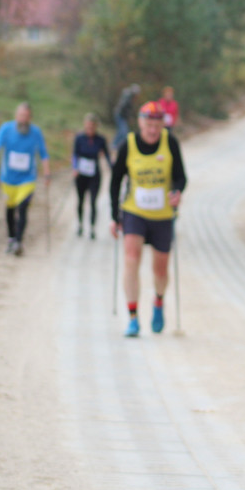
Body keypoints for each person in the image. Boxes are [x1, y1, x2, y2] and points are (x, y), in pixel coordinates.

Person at [109, 101, 187, 337]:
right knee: (131, 258)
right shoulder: (128, 145)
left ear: (162, 124)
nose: (153, 130)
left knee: (160, 270)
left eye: (157, 125)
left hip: (163, 215)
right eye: (148, 124)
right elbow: (115, 182)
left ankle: (159, 301)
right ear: (140, 122)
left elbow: (181, 177)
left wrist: (177, 193)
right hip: (134, 212)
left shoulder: (170, 143)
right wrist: (115, 216)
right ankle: (132, 317)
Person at [0, 102, 50, 256]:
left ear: (30, 118)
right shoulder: (6, 129)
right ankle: (11, 239)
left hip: (27, 179)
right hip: (8, 179)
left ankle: (19, 242)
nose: (24, 119)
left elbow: (43, 154)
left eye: (27, 116)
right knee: (10, 209)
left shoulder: (36, 132)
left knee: (22, 208)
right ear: (16, 116)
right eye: (21, 116)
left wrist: (47, 174)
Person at [72, 113, 112, 239]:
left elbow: (107, 156)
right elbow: (75, 154)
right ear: (85, 125)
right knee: (81, 200)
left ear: (96, 127)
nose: (90, 129)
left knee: (94, 201)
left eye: (92, 127)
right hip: (81, 173)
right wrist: (75, 168)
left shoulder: (100, 140)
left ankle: (93, 228)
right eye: (88, 126)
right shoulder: (79, 138)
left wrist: (114, 169)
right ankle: (80, 225)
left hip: (94, 174)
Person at [112, 83, 141, 151]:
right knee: (123, 131)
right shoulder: (127, 98)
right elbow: (123, 109)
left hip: (121, 116)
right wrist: (128, 117)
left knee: (122, 131)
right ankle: (116, 145)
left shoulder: (129, 97)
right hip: (120, 115)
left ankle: (115, 145)